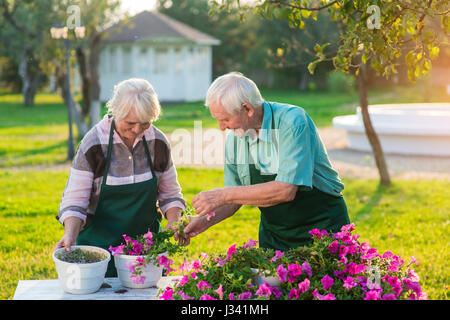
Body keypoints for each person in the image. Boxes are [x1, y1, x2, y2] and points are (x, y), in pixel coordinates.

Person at [183, 72, 350, 250]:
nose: (222, 127)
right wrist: (203, 221)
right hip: (275, 236)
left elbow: (286, 190)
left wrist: (222, 194)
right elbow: (233, 199)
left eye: (225, 119)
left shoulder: (293, 122)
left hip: (323, 228)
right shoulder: (236, 138)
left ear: (248, 109)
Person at [54, 78, 186, 276]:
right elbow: (75, 200)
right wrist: (69, 235)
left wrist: (174, 221)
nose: (137, 130)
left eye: (145, 123)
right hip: (97, 254)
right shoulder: (93, 144)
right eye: (131, 123)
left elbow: (170, 194)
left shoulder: (157, 142)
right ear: (115, 112)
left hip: (145, 255)